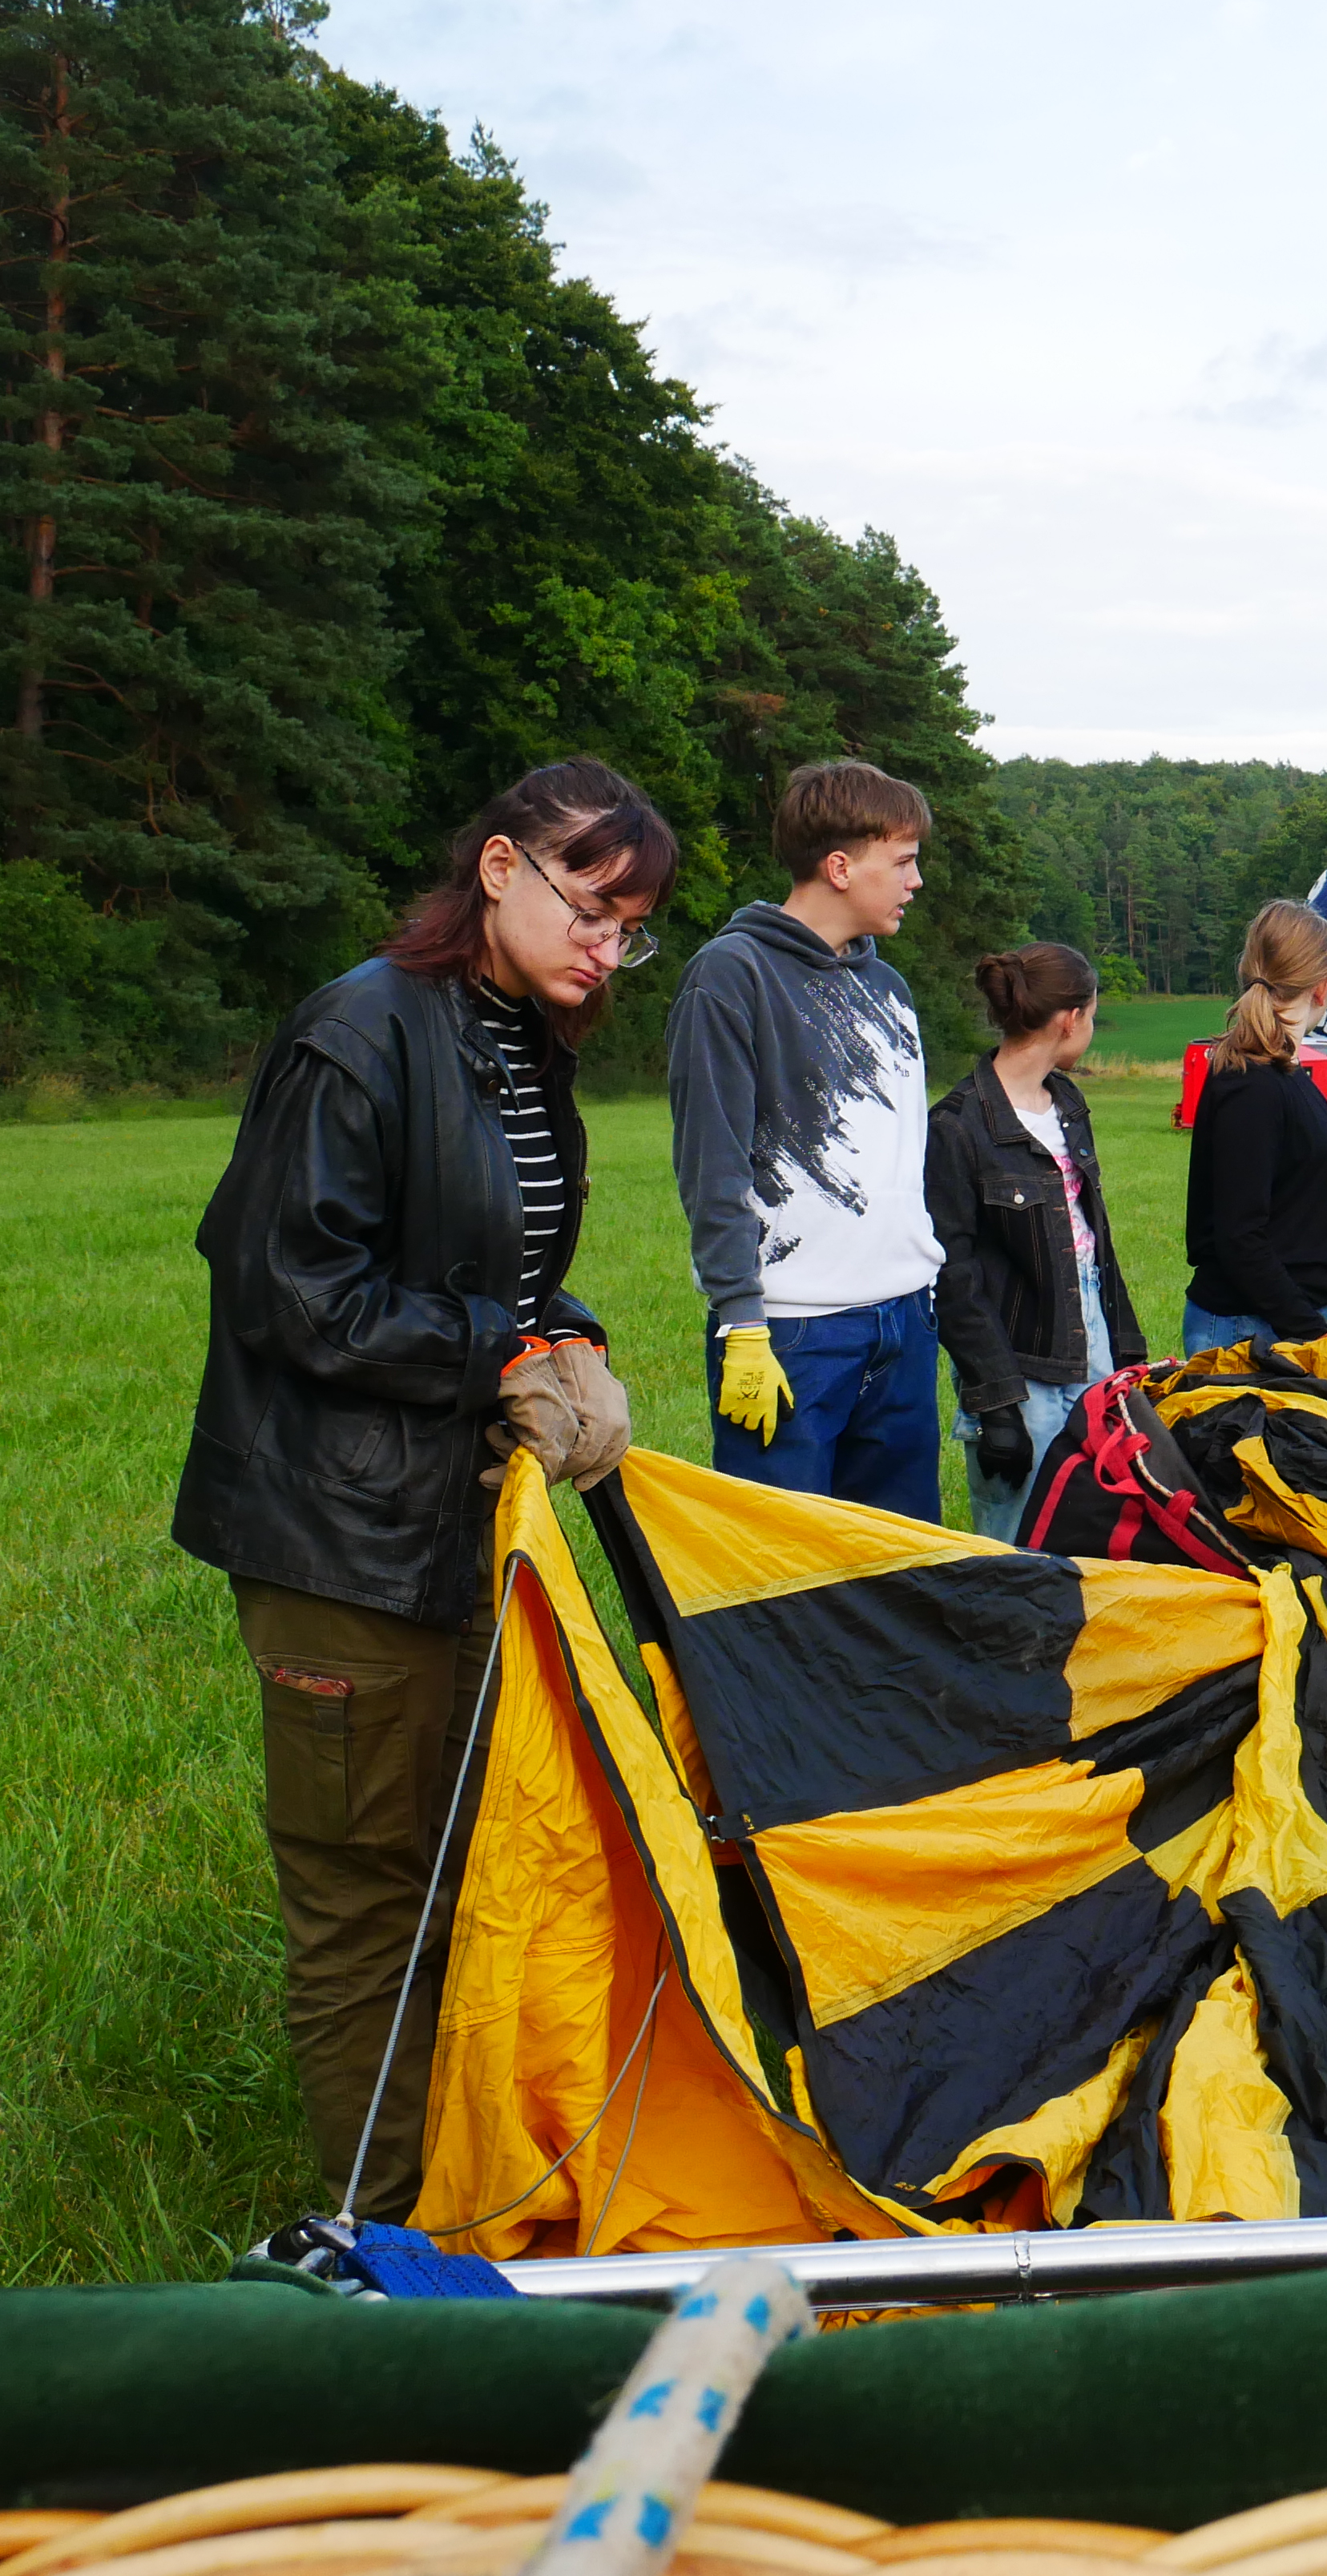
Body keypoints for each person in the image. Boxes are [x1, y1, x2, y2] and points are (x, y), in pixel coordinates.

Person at [172, 757, 672, 2225]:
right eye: (592, 906)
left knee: (461, 1866)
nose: (607, 947)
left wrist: (560, 1328)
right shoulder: (360, 1028)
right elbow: (287, 1288)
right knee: (364, 1909)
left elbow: (481, 1260)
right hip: (342, 1538)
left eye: (632, 927)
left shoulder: (514, 1035)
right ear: (501, 869)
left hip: (454, 1515)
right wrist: (492, 1352)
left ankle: (457, 2188)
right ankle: (376, 2240)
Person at [668, 758, 947, 1520]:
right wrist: (742, 1323)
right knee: (784, 1577)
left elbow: (902, 1165)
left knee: (901, 1565)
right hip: (792, 1333)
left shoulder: (889, 990)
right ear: (839, 866)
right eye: (902, 862)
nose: (915, 881)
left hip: (902, 1322)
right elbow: (711, 1163)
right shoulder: (731, 975)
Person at [928, 943, 1147, 1541]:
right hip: (1018, 1368)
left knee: (1100, 1534)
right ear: (1070, 1018)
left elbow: (1094, 1245)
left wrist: (1130, 1358)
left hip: (1092, 1347)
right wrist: (997, 1404)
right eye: (1093, 1016)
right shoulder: (958, 1125)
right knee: (1016, 1547)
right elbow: (953, 1277)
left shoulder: (1068, 1104)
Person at [1184, 898, 1327, 1352]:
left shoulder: (1279, 1073)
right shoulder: (1252, 1085)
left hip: (1284, 1322)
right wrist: (1314, 1337)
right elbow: (1240, 1236)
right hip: (1255, 1332)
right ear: (1324, 987)